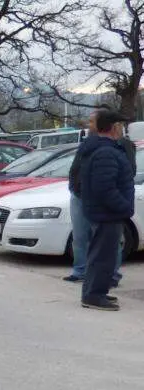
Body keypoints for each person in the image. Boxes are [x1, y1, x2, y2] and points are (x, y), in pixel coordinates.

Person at [65, 108, 134, 286]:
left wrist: (122, 205)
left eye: (92, 121)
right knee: (80, 237)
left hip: (102, 202)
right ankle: (81, 271)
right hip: (80, 196)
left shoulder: (120, 145)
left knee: (108, 242)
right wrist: (73, 186)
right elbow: (77, 168)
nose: (89, 125)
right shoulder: (89, 145)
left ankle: (110, 276)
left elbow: (124, 173)